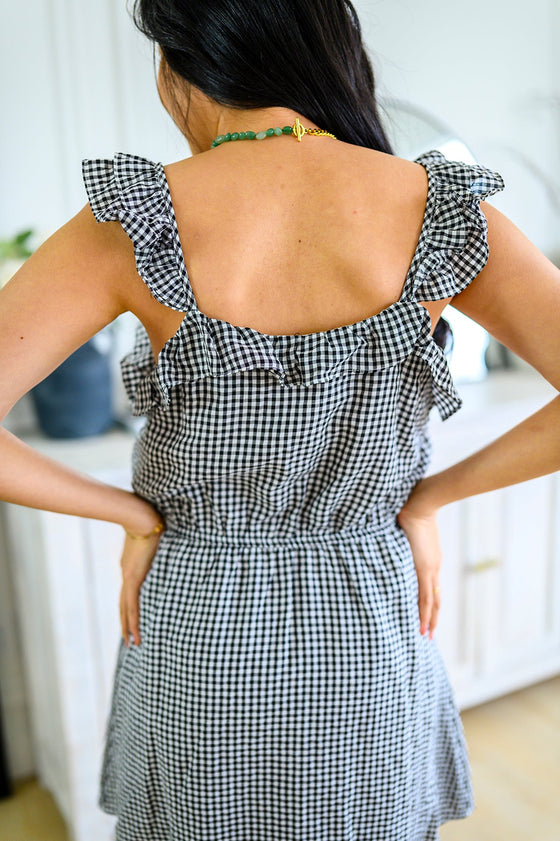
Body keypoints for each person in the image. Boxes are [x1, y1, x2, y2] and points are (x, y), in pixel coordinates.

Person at [1, 0, 559, 838]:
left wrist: (132, 515)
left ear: (180, 67)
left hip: (198, 622)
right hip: (368, 613)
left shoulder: (134, 221)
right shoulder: (439, 210)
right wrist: (426, 498)